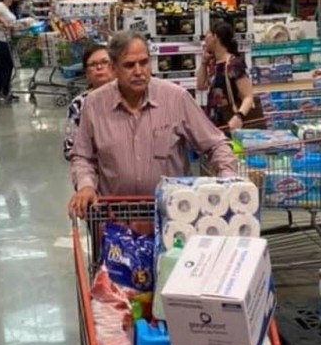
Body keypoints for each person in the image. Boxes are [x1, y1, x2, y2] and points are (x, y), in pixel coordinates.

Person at [68, 31, 238, 217]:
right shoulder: (94, 104)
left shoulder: (175, 98)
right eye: (129, 65)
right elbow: (82, 156)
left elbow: (216, 144)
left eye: (144, 62)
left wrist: (227, 178)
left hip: (173, 216)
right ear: (114, 68)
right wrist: (85, 186)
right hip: (115, 220)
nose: (139, 71)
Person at [196, 21, 257, 131]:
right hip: (214, 121)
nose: (205, 40)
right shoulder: (213, 62)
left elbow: (248, 96)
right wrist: (204, 62)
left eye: (207, 35)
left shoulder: (234, 64)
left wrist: (239, 117)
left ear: (215, 37)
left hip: (231, 122)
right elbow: (200, 85)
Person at [63, 44, 116, 160]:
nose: (99, 67)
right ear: (87, 73)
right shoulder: (78, 105)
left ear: (115, 67)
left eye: (104, 62)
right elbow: (69, 149)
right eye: (93, 64)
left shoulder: (129, 96)